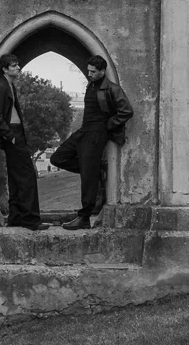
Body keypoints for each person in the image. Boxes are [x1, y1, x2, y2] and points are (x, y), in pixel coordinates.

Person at [52, 55, 133, 230]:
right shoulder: (92, 85)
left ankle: (84, 218)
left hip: (97, 134)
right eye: (88, 70)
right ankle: (95, 170)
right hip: (83, 131)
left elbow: (126, 111)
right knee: (57, 158)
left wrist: (108, 125)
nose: (89, 74)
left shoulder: (112, 88)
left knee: (88, 179)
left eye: (93, 71)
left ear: (103, 71)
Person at [0, 54, 48, 231]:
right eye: (14, 65)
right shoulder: (0, 87)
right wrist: (11, 136)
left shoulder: (9, 85)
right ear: (5, 69)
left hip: (16, 134)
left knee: (16, 177)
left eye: (17, 64)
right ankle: (31, 219)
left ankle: (16, 217)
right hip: (12, 136)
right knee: (28, 176)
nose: (18, 68)